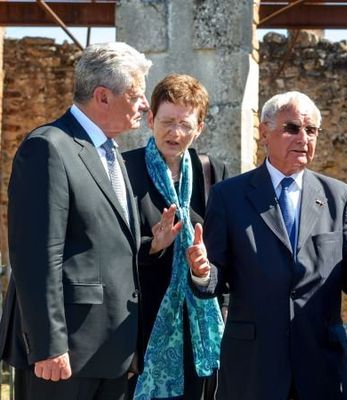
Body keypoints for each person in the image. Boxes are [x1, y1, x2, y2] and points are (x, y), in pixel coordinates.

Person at [186, 90, 347, 400]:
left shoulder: (341, 197)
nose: (303, 137)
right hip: (253, 367)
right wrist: (200, 270)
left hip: (321, 368)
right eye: (292, 128)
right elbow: (214, 279)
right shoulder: (230, 196)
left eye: (311, 130)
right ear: (264, 132)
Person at [0, 42, 151, 400]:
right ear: (102, 97)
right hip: (65, 356)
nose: (144, 105)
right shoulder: (49, 147)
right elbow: (36, 256)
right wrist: (50, 345)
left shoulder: (112, 156)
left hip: (111, 354)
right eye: (137, 95)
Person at [123, 73, 227, 399]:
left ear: (199, 129)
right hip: (141, 330)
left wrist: (202, 267)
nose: (175, 132)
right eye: (167, 121)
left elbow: (225, 254)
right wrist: (153, 246)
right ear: (150, 119)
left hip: (199, 331)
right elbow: (107, 252)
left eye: (185, 124)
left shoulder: (212, 172)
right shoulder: (124, 171)